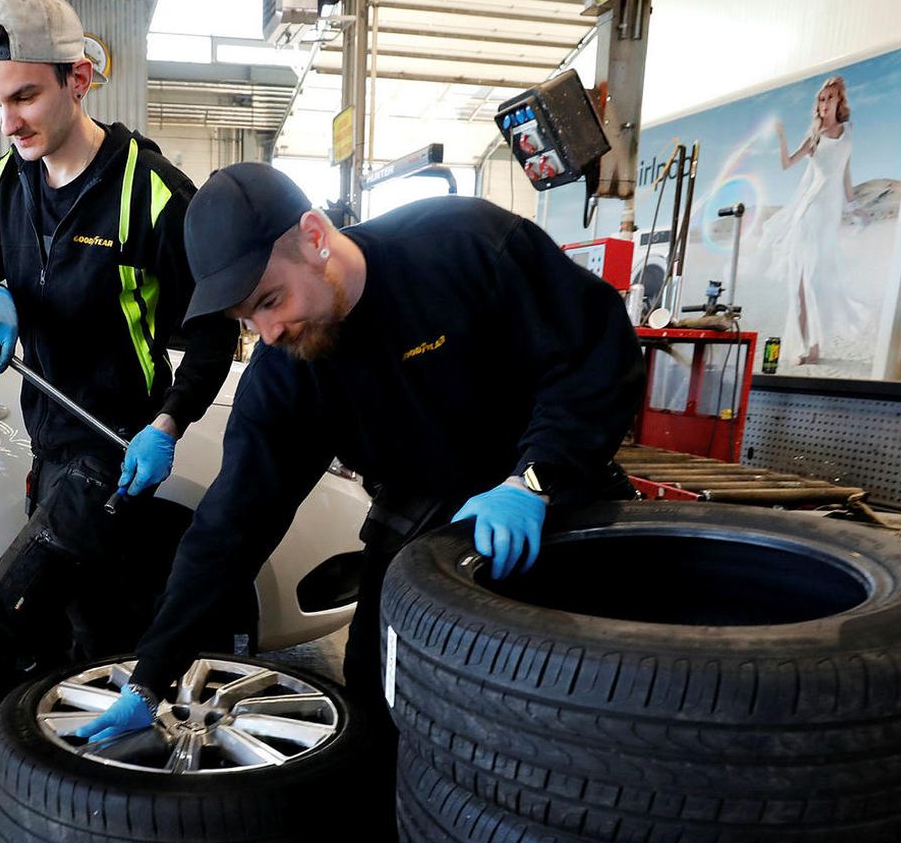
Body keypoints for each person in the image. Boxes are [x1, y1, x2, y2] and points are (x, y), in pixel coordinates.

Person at [72, 164, 643, 805]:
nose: (269, 332)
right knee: (377, 693)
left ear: (314, 237)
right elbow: (231, 526)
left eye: (269, 300)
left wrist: (533, 479)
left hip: (550, 494)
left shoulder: (463, 243)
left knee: (579, 700)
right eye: (247, 319)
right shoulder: (287, 372)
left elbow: (595, 355)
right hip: (421, 517)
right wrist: (151, 674)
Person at [0, 0, 238, 843]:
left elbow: (212, 333)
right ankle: (96, 837)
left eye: (25, 96)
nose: (9, 119)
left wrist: (167, 424)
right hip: (52, 452)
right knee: (87, 651)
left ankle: (9, 832)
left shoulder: (151, 194)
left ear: (79, 77)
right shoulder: (3, 184)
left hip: (111, 457)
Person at [770, 75, 860, 366]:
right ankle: (808, 347)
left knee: (819, 280)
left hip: (830, 215)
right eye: (821, 99)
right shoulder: (814, 137)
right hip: (810, 213)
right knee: (804, 281)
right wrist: (782, 137)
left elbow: (846, 180)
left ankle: (814, 346)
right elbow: (786, 165)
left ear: (839, 101)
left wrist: (857, 207)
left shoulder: (848, 135)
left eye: (830, 98)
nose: (824, 104)